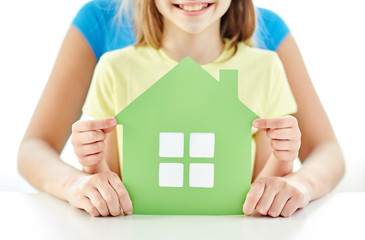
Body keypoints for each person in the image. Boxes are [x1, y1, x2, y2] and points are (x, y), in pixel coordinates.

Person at [17, 0, 344, 218]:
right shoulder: (107, 42)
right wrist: (80, 183)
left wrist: (298, 184)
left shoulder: (265, 47)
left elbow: (318, 151)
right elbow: (37, 148)